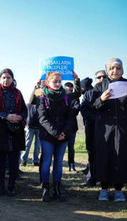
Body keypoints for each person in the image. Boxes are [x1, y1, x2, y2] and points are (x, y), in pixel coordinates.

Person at [92, 58, 127, 202]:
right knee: (105, 156)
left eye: (118, 68)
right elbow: (93, 106)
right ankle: (103, 189)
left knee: (121, 157)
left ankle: (118, 190)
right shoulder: (99, 86)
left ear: (122, 70)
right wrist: (101, 99)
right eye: (111, 68)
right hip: (105, 128)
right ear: (107, 69)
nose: (115, 71)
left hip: (125, 127)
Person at [0, 68, 27, 197]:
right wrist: (5, 116)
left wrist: (19, 117)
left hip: (15, 130)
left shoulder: (18, 93)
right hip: (0, 130)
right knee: (1, 160)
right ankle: (0, 186)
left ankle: (11, 186)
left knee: (14, 160)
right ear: (0, 79)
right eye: (3, 77)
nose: (6, 80)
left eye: (8, 77)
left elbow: (24, 110)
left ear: (12, 79)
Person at [37, 72, 75, 202]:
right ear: (48, 82)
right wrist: (56, 133)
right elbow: (42, 118)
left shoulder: (66, 97)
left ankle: (57, 189)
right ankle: (46, 188)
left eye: (60, 81)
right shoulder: (42, 97)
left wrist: (64, 132)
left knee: (58, 163)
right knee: (46, 162)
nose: (58, 84)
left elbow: (70, 116)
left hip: (63, 135)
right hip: (47, 135)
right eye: (55, 81)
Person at [80, 71, 106, 187]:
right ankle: (92, 178)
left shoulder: (114, 93)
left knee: (108, 154)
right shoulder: (88, 94)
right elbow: (84, 110)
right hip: (92, 128)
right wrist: (96, 120)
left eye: (104, 77)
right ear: (96, 79)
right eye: (99, 77)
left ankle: (107, 179)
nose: (102, 78)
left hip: (109, 129)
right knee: (92, 154)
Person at [21, 79, 42, 167]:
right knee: (27, 144)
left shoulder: (43, 104)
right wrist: (37, 87)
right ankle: (23, 159)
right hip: (30, 126)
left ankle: (36, 160)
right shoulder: (30, 104)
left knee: (37, 146)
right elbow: (32, 97)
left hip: (40, 127)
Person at [63, 82, 80, 172]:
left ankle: (71, 165)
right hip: (62, 127)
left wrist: (67, 110)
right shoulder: (61, 98)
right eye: (67, 87)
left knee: (71, 147)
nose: (68, 89)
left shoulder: (76, 98)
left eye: (70, 87)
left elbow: (76, 110)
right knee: (59, 148)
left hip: (72, 127)